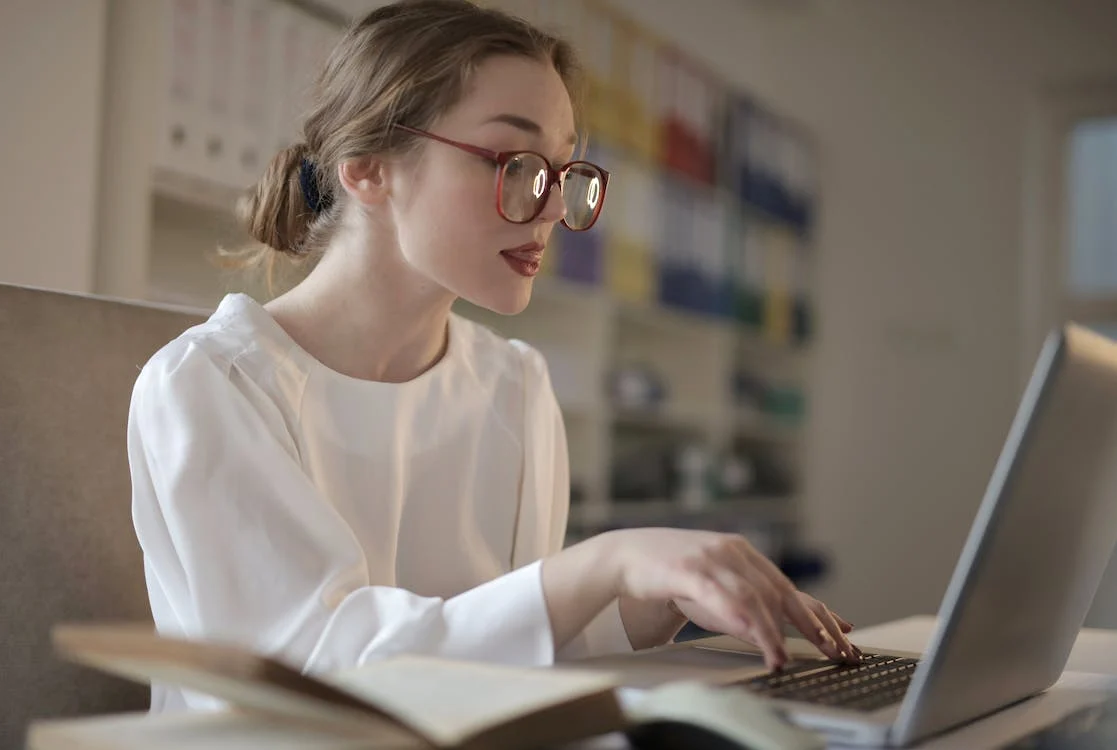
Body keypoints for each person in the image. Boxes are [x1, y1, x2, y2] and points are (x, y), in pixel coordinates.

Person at [127, 0, 859, 713]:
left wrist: (653, 595)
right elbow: (317, 681)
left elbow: (508, 655)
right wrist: (603, 562)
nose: (548, 209)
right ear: (368, 168)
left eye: (562, 170)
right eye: (511, 160)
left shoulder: (515, 384)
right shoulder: (211, 385)